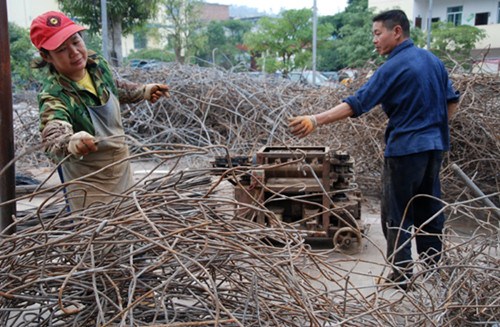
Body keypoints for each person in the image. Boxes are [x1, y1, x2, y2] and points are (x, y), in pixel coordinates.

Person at [289, 9, 460, 290]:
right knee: (428, 209)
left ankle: (402, 275)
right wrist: (434, 128)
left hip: (405, 150)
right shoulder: (433, 61)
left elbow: (357, 103)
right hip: (435, 148)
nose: (374, 40)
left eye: (377, 33)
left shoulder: (393, 67)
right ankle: (433, 271)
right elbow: (452, 101)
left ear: (396, 32)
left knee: (397, 213)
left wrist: (315, 119)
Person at [30, 11, 170, 211]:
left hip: (120, 165)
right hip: (88, 182)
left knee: (129, 222)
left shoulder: (96, 64)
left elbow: (113, 87)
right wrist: (71, 142)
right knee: (97, 235)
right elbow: (51, 135)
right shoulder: (54, 94)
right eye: (62, 49)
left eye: (76, 41)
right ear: (46, 56)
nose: (75, 53)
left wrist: (143, 91)